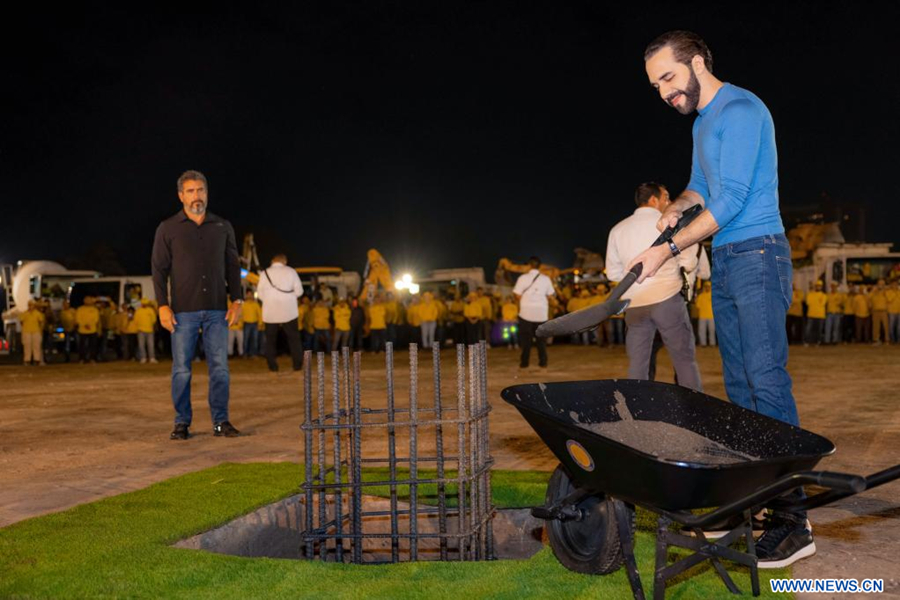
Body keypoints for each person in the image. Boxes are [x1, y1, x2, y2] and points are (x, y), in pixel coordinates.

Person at [633, 32, 809, 566]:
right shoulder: (704, 122)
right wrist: (677, 207)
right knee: (739, 388)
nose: (664, 92)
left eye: (668, 77)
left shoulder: (740, 108)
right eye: (655, 85)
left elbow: (732, 200)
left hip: (758, 253)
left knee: (766, 381)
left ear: (699, 62)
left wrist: (667, 249)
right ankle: (752, 500)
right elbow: (700, 187)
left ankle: (792, 519)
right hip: (728, 262)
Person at [151, 170, 243, 440]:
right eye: (190, 191)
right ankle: (182, 422)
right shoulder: (168, 228)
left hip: (217, 310)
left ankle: (220, 422)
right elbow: (158, 270)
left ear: (207, 192)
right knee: (181, 369)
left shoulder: (222, 226)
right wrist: (162, 306)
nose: (196, 196)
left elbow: (233, 265)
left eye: (200, 190)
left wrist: (237, 300)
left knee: (220, 368)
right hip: (183, 312)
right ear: (181, 196)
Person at [606, 182, 702, 390]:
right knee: (684, 360)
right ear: (653, 200)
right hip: (666, 298)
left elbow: (613, 273)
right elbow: (689, 261)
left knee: (638, 364)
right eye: (666, 197)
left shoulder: (617, 230)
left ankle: (637, 408)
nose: (669, 203)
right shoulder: (669, 222)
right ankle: (695, 409)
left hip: (634, 303)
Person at [256, 254, 304, 372]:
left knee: (270, 340)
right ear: (284, 261)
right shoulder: (291, 271)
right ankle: (297, 365)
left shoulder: (264, 273)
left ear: (272, 261)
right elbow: (299, 291)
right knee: (294, 339)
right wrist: (289, 297)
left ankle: (272, 366)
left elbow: (260, 294)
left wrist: (269, 300)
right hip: (289, 310)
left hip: (270, 312)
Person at [513, 256, 555, 370]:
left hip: (526, 313)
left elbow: (517, 295)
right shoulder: (546, 279)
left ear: (529, 265)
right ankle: (543, 363)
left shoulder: (522, 278)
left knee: (526, 341)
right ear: (540, 266)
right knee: (541, 341)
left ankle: (524, 364)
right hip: (541, 314)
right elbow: (551, 295)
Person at [76, 296, 101, 363]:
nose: (88, 301)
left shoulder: (95, 309)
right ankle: (82, 358)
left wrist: (90, 325)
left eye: (89, 300)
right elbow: (78, 319)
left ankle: (92, 358)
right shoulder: (80, 309)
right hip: (82, 330)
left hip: (92, 329)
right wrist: (84, 325)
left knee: (93, 345)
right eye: (86, 300)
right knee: (82, 345)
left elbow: (96, 319)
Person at [20, 301, 46, 366]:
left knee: (36, 346)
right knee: (27, 346)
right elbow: (21, 322)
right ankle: (27, 360)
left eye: (32, 305)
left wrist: (40, 330)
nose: (30, 306)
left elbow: (41, 322)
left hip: (36, 331)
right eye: (29, 305)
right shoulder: (24, 313)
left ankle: (37, 359)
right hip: (27, 331)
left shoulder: (37, 313)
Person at [803, 281, 827, 346]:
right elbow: (808, 302)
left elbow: (822, 303)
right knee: (808, 329)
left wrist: (815, 302)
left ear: (821, 287)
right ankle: (806, 341)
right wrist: (817, 302)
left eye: (819, 286)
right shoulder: (810, 294)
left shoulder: (824, 295)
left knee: (819, 330)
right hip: (811, 314)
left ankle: (818, 341)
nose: (818, 287)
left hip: (820, 315)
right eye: (817, 285)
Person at [134, 299, 158, 363]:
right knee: (142, 345)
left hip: (149, 330)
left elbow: (154, 320)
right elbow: (135, 320)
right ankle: (143, 357)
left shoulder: (150, 310)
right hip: (141, 330)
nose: (144, 304)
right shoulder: (138, 311)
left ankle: (152, 358)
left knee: (150, 345)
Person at [242, 290, 262, 358]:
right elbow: (241, 315)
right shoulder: (243, 304)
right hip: (246, 323)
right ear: (246, 295)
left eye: (251, 294)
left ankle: (254, 354)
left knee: (255, 340)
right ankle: (245, 353)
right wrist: (241, 324)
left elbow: (259, 314)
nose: (249, 296)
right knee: (246, 340)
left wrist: (260, 323)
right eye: (248, 294)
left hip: (254, 323)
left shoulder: (255, 304)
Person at [869, 279, 890, 345]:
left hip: (884, 311)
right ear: (877, 285)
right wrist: (873, 291)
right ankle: (876, 340)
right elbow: (868, 298)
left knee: (885, 326)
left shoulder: (887, 292)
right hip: (875, 311)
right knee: (876, 326)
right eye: (879, 284)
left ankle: (887, 340)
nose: (881, 285)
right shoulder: (874, 292)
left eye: (882, 284)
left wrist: (885, 292)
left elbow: (889, 299)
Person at [695, 281, 715, 346]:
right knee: (701, 331)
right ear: (704, 287)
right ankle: (703, 343)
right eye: (706, 286)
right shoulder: (700, 296)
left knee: (712, 331)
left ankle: (712, 343)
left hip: (711, 316)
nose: (707, 288)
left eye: (708, 286)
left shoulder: (713, 296)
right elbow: (698, 306)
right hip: (702, 316)